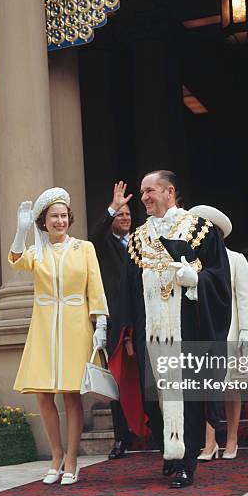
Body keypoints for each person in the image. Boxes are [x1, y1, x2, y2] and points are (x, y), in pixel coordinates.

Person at [110, 171, 231, 488]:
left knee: (186, 396)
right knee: (157, 398)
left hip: (187, 329)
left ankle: (186, 462)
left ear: (170, 191)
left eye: (150, 190)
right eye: (142, 192)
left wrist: (196, 281)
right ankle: (170, 451)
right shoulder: (138, 239)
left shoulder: (200, 231)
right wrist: (130, 334)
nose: (145, 197)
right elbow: (130, 291)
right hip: (148, 331)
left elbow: (219, 278)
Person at [9, 187, 109, 485]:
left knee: (71, 394)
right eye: (54, 216)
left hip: (76, 325)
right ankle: (56, 454)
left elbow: (96, 287)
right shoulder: (37, 251)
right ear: (43, 221)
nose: (60, 221)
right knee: (42, 394)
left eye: (64, 215)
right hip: (43, 328)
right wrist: (20, 231)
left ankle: (73, 459)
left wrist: (100, 324)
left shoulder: (84, 248)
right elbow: (15, 260)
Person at [191, 206, 248, 461]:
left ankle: (232, 438)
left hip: (229, 332)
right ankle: (209, 442)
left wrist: (246, 332)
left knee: (230, 387)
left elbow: (244, 298)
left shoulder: (237, 259)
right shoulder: (194, 263)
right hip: (203, 334)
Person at [89, 181, 138, 460]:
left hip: (143, 319)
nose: (125, 218)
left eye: (128, 214)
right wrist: (112, 207)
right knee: (118, 382)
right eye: (120, 215)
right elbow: (93, 235)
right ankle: (122, 438)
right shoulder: (103, 244)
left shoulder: (143, 241)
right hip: (116, 321)